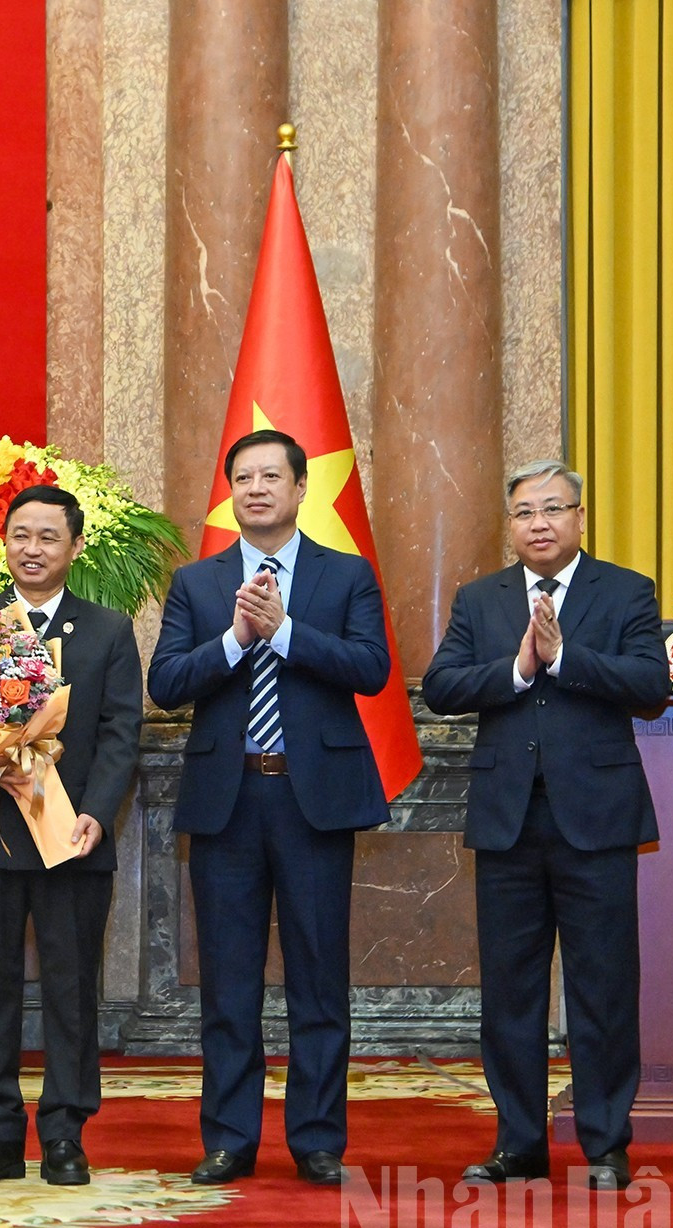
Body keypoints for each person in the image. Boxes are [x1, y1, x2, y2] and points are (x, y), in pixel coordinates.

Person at [146, 429, 390, 1188]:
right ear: (230, 492)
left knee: (320, 978)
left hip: (313, 797)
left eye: (270, 476)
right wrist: (234, 639)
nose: (256, 488)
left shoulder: (346, 576)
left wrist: (283, 633)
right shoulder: (199, 583)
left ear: (299, 488)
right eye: (242, 477)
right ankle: (229, 1138)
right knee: (229, 982)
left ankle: (317, 1140)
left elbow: (371, 668)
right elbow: (167, 682)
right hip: (229, 799)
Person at [422, 460, 665, 1192]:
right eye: (526, 512)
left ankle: (605, 1145)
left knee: (604, 987)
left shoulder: (625, 591)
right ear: (511, 524)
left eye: (554, 509)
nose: (540, 523)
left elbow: (651, 687)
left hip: (597, 821)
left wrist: (567, 660)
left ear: (581, 517)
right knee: (511, 992)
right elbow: (440, 688)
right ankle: (519, 1144)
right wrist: (520, 670)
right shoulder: (480, 599)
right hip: (508, 824)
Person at [0, 486, 142, 1188]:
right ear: (4, 541)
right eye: (20, 534)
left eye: (47, 537)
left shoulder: (110, 631)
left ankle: (64, 1131)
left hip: (74, 839)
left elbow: (122, 732)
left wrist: (98, 809)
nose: (32, 548)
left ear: (75, 547)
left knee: (70, 986)